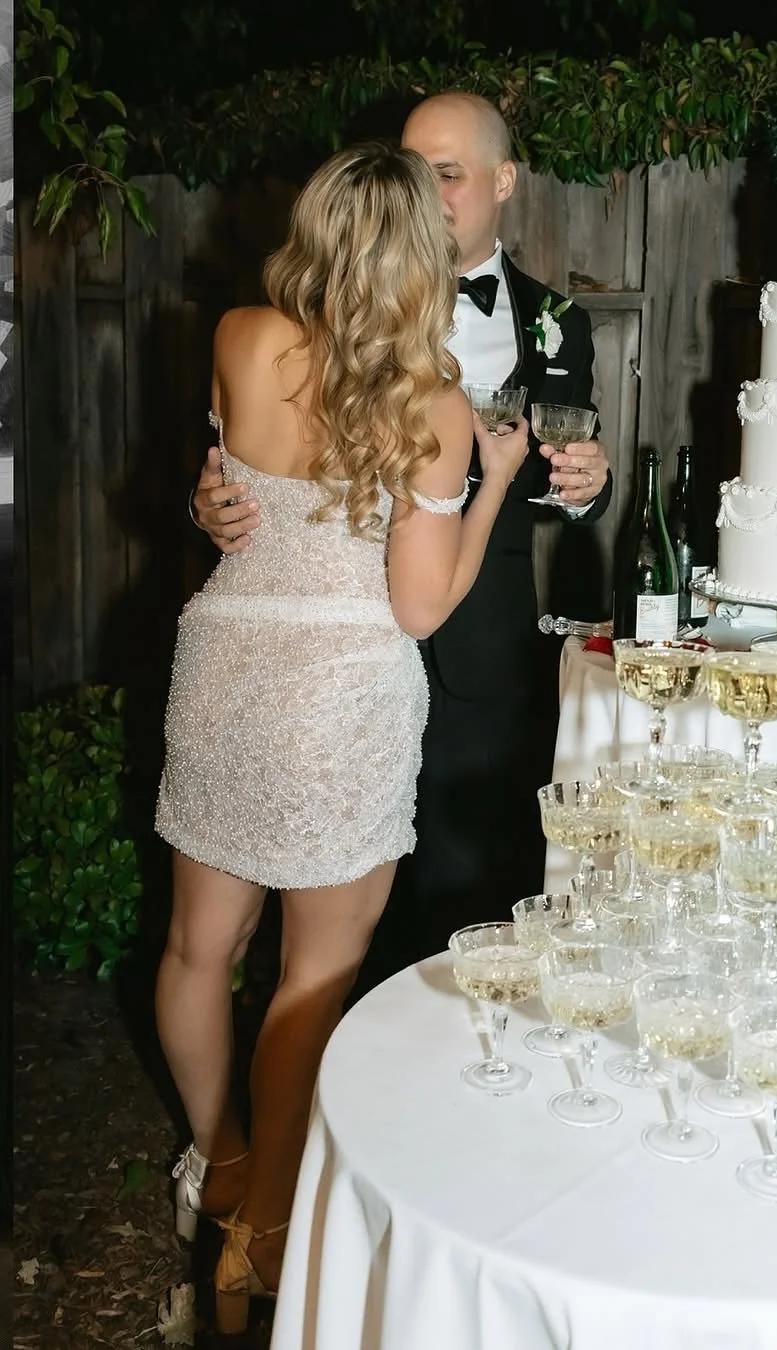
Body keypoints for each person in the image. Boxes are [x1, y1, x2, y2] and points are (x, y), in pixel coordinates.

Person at [154, 141, 529, 1334]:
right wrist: (494, 486)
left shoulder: (242, 339)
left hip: (224, 668)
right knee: (311, 980)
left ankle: (214, 1162)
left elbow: (232, 488)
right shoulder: (436, 408)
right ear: (423, 259)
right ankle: (262, 1233)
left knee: (196, 951)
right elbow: (419, 606)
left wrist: (214, 503)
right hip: (343, 700)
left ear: (313, 231)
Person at [189, 92, 613, 980]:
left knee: (462, 896)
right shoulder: (309, 325)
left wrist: (585, 488)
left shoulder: (557, 322)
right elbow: (268, 460)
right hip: (321, 665)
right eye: (415, 172)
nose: (429, 192)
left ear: (503, 183)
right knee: (320, 927)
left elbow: (562, 481)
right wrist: (205, 499)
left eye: (449, 174)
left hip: (475, 645)